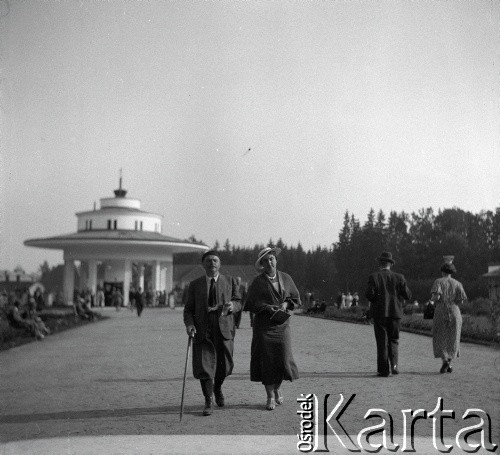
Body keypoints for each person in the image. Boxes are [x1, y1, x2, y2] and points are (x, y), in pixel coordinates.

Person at [183, 250, 241, 416]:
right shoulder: (195, 285)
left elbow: (238, 302)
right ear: (203, 264)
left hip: (224, 331)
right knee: (204, 366)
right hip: (203, 330)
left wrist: (233, 306)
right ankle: (208, 400)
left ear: (220, 264)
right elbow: (188, 310)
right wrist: (190, 325)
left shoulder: (230, 281)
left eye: (215, 260)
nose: (212, 263)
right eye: (208, 261)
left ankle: (217, 388)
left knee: (226, 366)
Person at [245, 247, 300, 410]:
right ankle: (270, 396)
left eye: (271, 259)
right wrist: (266, 307)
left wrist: (286, 303)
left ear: (276, 260)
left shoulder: (286, 278)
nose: (269, 263)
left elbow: (295, 298)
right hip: (264, 327)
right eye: (265, 261)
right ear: (261, 264)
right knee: (267, 360)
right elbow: (251, 304)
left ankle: (277, 388)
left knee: (283, 358)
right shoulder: (258, 282)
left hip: (282, 325)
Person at [365, 251, 411, 377]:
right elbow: (407, 295)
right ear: (390, 264)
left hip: (380, 313)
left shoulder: (374, 277)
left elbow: (369, 295)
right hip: (395, 313)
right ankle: (394, 365)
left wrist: (376, 301)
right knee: (394, 339)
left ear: (380, 263)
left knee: (382, 341)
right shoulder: (399, 277)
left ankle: (384, 369)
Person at [430, 262, 467, 374]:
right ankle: (449, 363)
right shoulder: (458, 283)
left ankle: (445, 361)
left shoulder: (438, 282)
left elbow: (436, 296)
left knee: (440, 336)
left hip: (441, 311)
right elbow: (461, 300)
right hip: (454, 311)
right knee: (453, 337)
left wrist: (432, 301)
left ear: (442, 271)